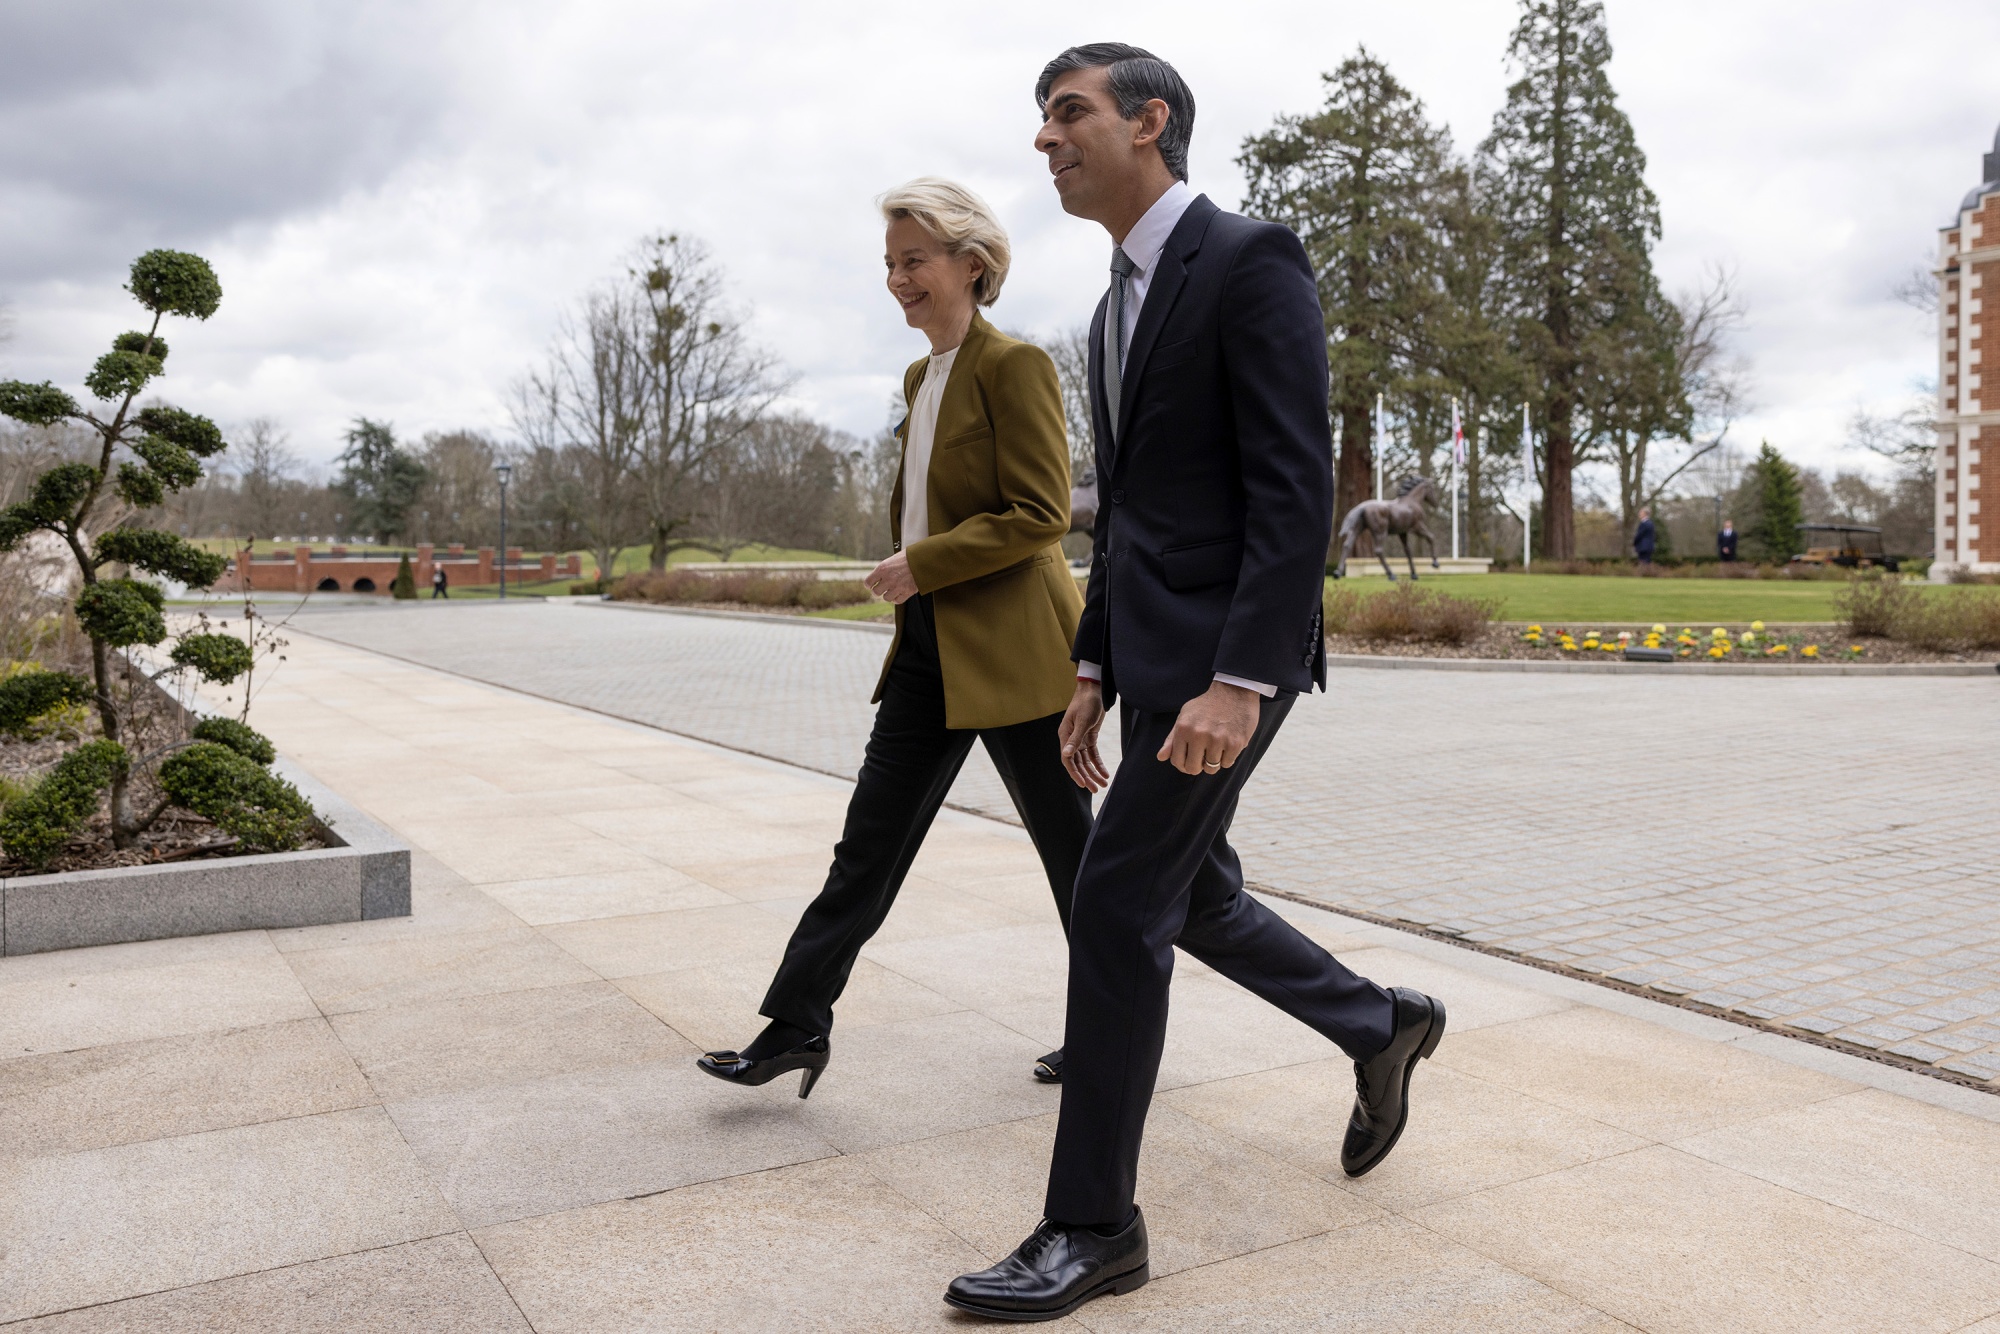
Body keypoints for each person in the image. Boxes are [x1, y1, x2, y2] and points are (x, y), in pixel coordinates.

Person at [945, 45, 1446, 1323]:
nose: (1045, 139)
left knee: (1116, 897)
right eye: (1040, 119)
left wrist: (1241, 680)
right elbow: (1126, 517)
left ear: (1148, 121)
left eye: (1068, 113)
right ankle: (1377, 1022)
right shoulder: (1110, 304)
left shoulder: (1247, 258)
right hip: (1150, 656)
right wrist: (1092, 664)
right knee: (1196, 896)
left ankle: (1092, 1225)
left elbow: (1293, 487)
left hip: (1229, 663)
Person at [697, 179, 1093, 1099]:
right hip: (927, 654)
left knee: (1074, 860)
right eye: (889, 263)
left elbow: (1041, 513)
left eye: (914, 260)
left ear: (972, 264)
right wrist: (921, 575)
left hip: (1018, 656)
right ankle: (797, 1024)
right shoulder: (921, 378)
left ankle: (1111, 1028)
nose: (898, 280)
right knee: (866, 847)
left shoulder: (1017, 366)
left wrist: (924, 562)